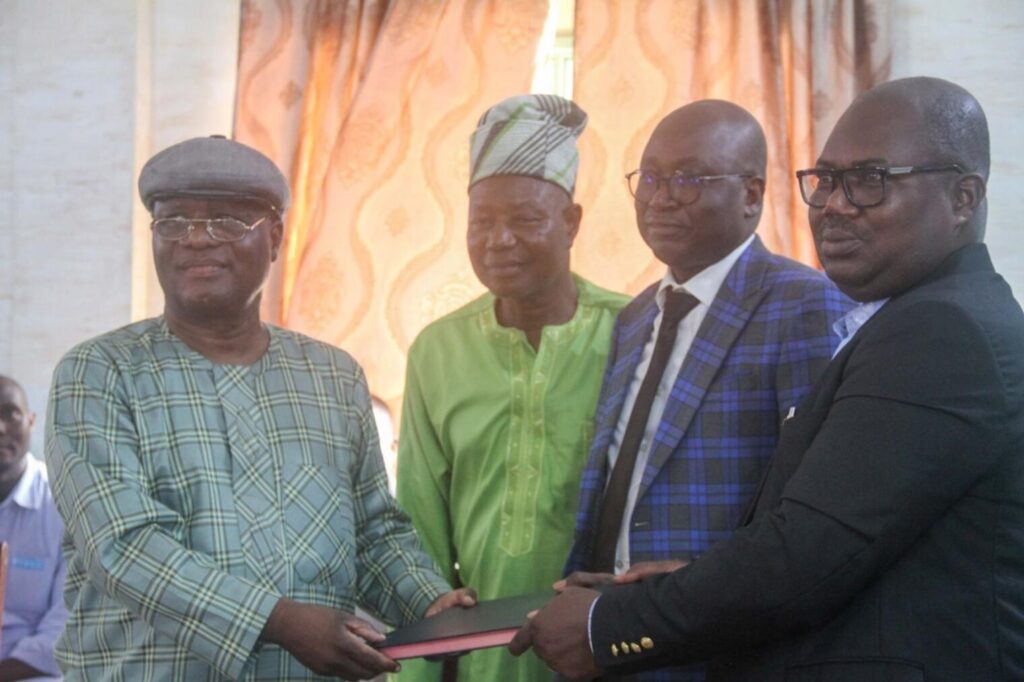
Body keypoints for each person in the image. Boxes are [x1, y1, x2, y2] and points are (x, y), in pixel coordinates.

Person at [512, 76, 1024, 681]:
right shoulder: (922, 317)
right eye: (825, 180)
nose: (834, 204)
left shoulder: (941, 330)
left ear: (963, 198)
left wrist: (610, 628)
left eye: (869, 181)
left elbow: (806, 554)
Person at [45, 136, 474, 681]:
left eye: (226, 221)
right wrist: (279, 621)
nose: (195, 239)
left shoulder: (332, 377)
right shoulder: (99, 373)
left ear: (274, 238)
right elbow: (123, 547)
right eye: (173, 221)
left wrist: (428, 601)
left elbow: (371, 531)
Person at [558, 101, 849, 680]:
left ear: (750, 195)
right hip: (611, 633)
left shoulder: (804, 304)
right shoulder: (636, 316)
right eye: (650, 178)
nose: (660, 199)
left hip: (721, 647)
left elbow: (810, 508)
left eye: (688, 180)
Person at [395, 94, 629, 682]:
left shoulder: (634, 331)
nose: (498, 240)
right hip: (481, 658)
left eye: (525, 220)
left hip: (606, 648)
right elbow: (420, 529)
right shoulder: (437, 350)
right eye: (481, 222)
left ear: (572, 222)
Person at [0, 376, 66, 681]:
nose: (0, 428)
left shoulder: (63, 504)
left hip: (29, 673)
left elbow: (65, 626)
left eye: (10, 414)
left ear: (31, 421)